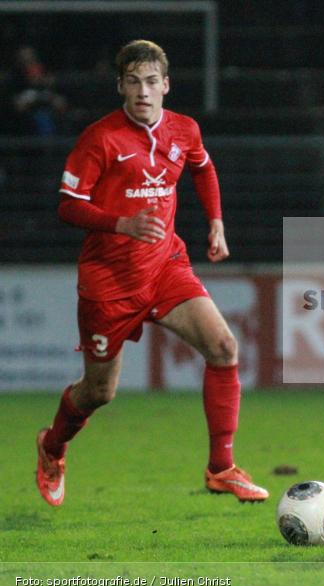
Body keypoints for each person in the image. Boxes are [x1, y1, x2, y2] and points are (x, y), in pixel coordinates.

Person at [35, 40, 268, 506]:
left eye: (151, 82)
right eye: (134, 82)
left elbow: (202, 168)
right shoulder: (100, 139)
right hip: (109, 281)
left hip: (165, 265)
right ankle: (52, 446)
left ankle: (221, 469)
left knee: (224, 347)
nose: (143, 91)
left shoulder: (184, 130)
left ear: (166, 85)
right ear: (121, 86)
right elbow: (68, 206)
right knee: (99, 392)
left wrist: (216, 221)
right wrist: (121, 223)